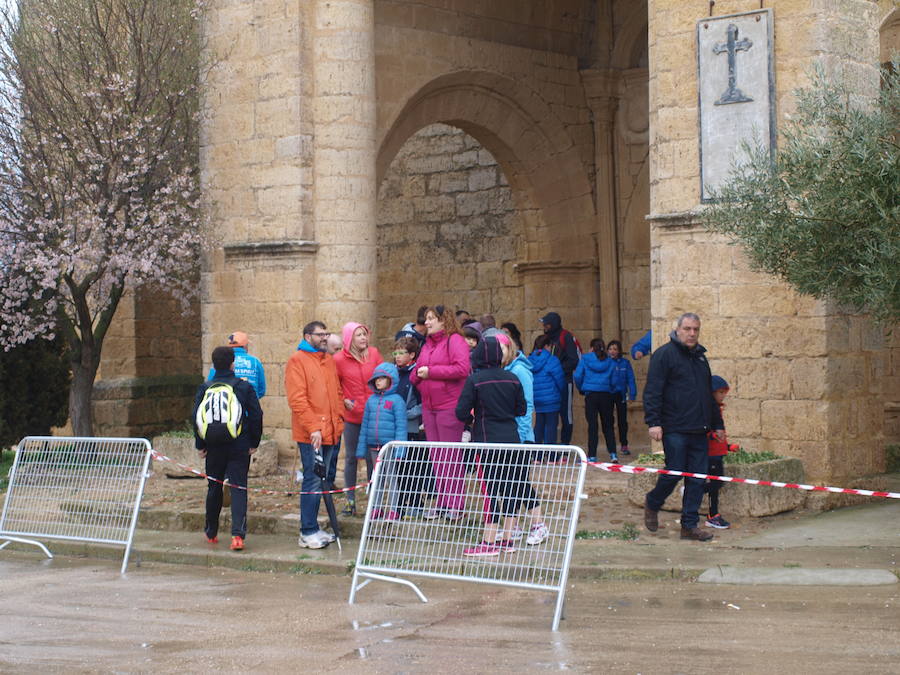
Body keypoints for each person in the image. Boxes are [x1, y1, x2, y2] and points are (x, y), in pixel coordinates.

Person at [643, 313, 725, 542]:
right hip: (675, 428)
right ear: (677, 329)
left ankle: (689, 525)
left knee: (698, 479)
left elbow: (707, 395)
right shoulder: (664, 355)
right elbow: (653, 391)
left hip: (699, 429)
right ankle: (653, 501)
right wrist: (654, 422)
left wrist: (717, 424)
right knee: (674, 472)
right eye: (687, 329)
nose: (691, 333)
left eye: (695, 329)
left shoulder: (701, 358)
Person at [455, 336, 526, 557]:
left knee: (491, 492)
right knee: (510, 488)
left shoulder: (475, 380)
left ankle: (488, 541)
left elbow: (461, 412)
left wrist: (474, 418)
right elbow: (521, 409)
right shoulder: (513, 378)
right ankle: (507, 538)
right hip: (511, 439)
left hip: (486, 441)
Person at [193, 346, 263, 551]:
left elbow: (196, 416)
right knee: (238, 487)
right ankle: (237, 536)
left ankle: (211, 532)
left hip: (213, 445)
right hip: (239, 445)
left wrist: (201, 444)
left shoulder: (205, 387)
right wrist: (254, 442)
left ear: (213, 365)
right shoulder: (243, 387)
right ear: (233, 363)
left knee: (214, 486)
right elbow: (256, 415)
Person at [285, 321, 344, 549]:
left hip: (330, 430)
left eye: (326, 334)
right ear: (308, 336)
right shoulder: (296, 361)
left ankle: (314, 527)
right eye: (320, 334)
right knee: (311, 478)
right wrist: (313, 428)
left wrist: (338, 420)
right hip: (312, 434)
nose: (325, 338)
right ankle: (306, 530)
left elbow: (336, 393)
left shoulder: (328, 360)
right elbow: (297, 400)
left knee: (322, 480)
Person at [410, 304, 471, 521]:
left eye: (430, 319)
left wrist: (431, 373)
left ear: (443, 320)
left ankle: (456, 503)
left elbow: (462, 369)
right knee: (437, 457)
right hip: (429, 407)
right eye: (426, 319)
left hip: (448, 406)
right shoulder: (427, 344)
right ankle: (443, 500)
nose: (426, 322)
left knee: (450, 456)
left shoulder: (455, 341)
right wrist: (418, 376)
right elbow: (417, 370)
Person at [498, 334, 549, 546]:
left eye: (500, 348)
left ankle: (539, 525)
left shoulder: (520, 371)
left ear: (509, 348)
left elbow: (527, 407)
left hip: (520, 437)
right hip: (508, 435)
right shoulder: (504, 371)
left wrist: (520, 436)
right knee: (508, 482)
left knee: (520, 481)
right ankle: (514, 526)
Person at [333, 322, 383, 516]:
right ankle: (350, 501)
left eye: (365, 334)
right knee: (352, 457)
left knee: (373, 459)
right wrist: (343, 400)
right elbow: (334, 386)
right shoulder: (338, 360)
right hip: (352, 416)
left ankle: (374, 503)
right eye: (358, 335)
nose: (363, 338)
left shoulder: (374, 354)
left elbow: (384, 378)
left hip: (373, 415)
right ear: (349, 339)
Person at [356, 362, 407, 521]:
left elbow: (401, 426)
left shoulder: (397, 401)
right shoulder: (371, 401)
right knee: (376, 478)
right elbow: (364, 425)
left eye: (382, 378)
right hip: (373, 447)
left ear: (391, 380)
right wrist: (360, 449)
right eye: (376, 379)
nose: (378, 381)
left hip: (389, 447)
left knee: (392, 478)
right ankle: (376, 507)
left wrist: (400, 449)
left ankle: (393, 509)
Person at [393, 336, 431, 517]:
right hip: (396, 429)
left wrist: (407, 414)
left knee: (414, 467)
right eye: (396, 353)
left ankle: (415, 501)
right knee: (400, 468)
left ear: (412, 355)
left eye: (402, 353)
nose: (398, 357)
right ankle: (400, 502)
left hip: (412, 427)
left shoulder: (417, 374)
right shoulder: (393, 374)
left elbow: (423, 402)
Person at [574, 338, 618, 463]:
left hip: (591, 395)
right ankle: (613, 454)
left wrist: (581, 387)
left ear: (592, 348)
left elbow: (577, 376)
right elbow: (614, 380)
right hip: (606, 395)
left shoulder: (586, 359)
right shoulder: (610, 361)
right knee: (608, 426)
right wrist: (610, 388)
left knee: (592, 426)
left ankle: (592, 455)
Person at [539, 312, 581, 445]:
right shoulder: (546, 338)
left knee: (566, 415)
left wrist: (556, 369)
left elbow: (573, 360)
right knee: (549, 416)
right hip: (548, 383)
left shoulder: (566, 337)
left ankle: (565, 445)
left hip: (564, 381)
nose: (544, 326)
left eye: (546, 324)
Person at [705, 375, 739, 529]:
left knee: (717, 484)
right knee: (716, 483)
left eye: (725, 392)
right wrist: (712, 436)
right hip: (710, 455)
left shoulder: (717, 409)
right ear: (711, 392)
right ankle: (712, 514)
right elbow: (702, 431)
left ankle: (713, 514)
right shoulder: (707, 410)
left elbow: (720, 436)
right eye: (720, 392)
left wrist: (728, 446)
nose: (723, 395)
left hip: (718, 454)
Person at [207, 331, 266, 399]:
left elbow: (210, 385)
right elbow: (261, 390)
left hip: (225, 406)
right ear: (245, 346)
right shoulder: (255, 362)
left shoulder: (220, 360)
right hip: (249, 407)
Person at [529, 335, 565, 445]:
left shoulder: (529, 360)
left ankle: (537, 455)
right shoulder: (552, 359)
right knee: (551, 427)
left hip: (537, 399)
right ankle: (551, 456)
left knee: (538, 425)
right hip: (551, 398)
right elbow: (560, 380)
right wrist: (561, 393)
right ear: (546, 346)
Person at [607, 340, 637, 456]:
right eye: (610, 349)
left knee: (622, 421)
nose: (612, 351)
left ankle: (624, 444)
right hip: (608, 394)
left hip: (621, 394)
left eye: (615, 349)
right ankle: (611, 445)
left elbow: (631, 379)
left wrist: (632, 394)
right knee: (609, 420)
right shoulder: (605, 362)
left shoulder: (625, 363)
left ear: (619, 351)